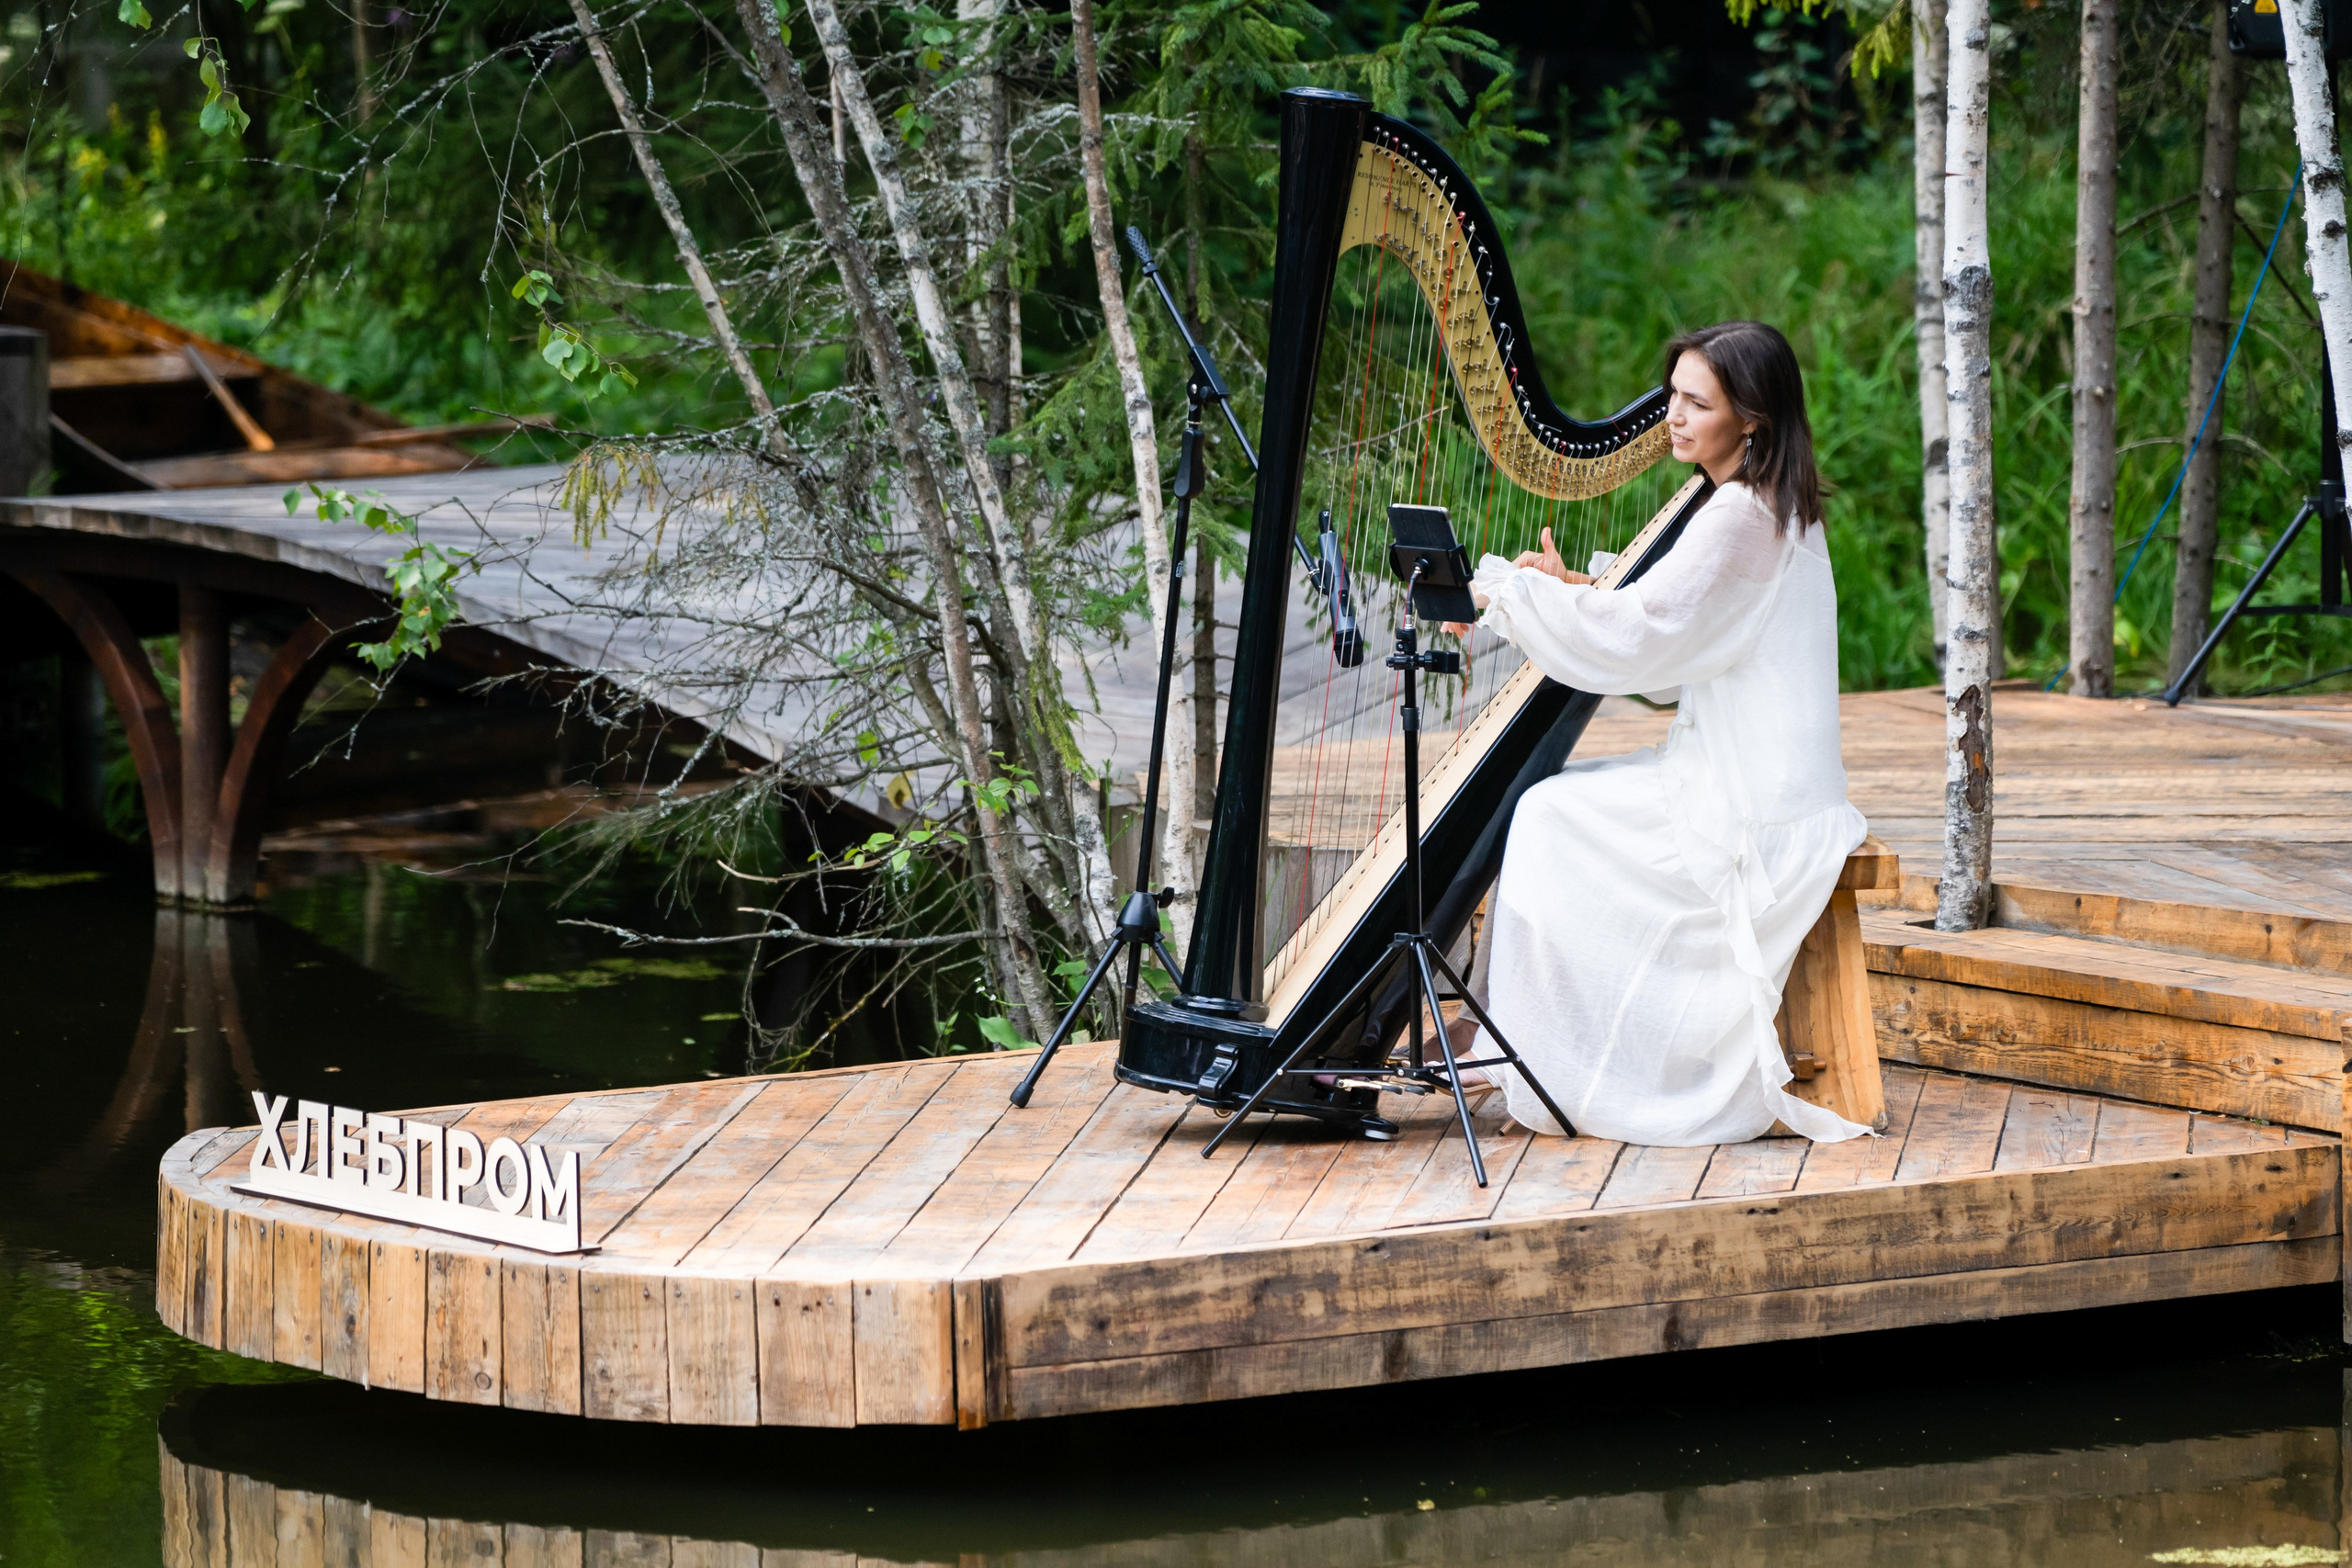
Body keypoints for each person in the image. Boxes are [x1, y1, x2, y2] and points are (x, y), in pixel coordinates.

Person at [1457, 321, 1871, 1145]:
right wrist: (1579, 589)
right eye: (1672, 397)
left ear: (1750, 418)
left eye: (1696, 403)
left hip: (1754, 807)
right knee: (1559, 809)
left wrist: (1504, 591)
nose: (1672, 418)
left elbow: (1640, 635)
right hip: (1765, 783)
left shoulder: (1738, 516)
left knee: (1545, 815)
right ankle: (1529, 1052)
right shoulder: (1764, 504)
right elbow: (1680, 636)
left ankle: (1549, 1064)